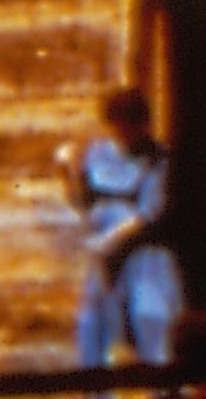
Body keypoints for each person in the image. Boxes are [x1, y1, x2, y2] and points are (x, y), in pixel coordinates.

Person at [61, 87, 183, 374]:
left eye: (131, 127)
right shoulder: (96, 156)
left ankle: (159, 391)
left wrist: (111, 240)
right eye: (117, 127)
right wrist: (67, 175)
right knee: (100, 321)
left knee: (150, 314)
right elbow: (84, 202)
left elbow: (151, 211)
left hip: (142, 248)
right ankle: (110, 397)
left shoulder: (158, 160)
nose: (124, 135)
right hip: (104, 250)